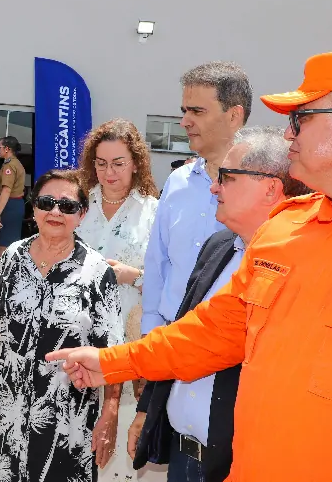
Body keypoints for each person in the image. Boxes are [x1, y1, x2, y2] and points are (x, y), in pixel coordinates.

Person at [48, 51, 332, 482]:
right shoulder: (286, 228)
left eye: (301, 119)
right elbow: (212, 332)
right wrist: (114, 361)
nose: (287, 135)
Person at [132, 127, 311, 482]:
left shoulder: (302, 265)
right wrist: (146, 409)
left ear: (270, 187)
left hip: (237, 465)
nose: (214, 188)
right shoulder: (218, 246)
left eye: (226, 178)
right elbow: (183, 334)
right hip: (183, 457)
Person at [0, 169, 123, 482]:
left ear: (81, 215)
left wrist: (110, 412)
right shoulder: (12, 257)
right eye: (47, 202)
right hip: (8, 417)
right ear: (34, 207)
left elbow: (114, 355)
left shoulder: (96, 273)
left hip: (67, 426)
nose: (55, 211)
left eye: (67, 206)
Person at [74, 119, 160, 480]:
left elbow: (173, 281)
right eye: (101, 163)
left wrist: (134, 276)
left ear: (136, 163)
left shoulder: (155, 212)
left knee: (119, 454)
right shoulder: (76, 206)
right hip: (73, 344)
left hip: (129, 349)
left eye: (118, 163)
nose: (109, 172)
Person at [141, 62, 251, 335]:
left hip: (229, 349)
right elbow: (157, 263)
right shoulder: (178, 182)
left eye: (197, 112)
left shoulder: (265, 188)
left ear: (234, 116)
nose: (184, 122)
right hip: (169, 336)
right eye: (185, 111)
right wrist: (149, 328)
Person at [0, 136, 26, 261]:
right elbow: (0, 190)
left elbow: (6, 191)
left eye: (0, 147)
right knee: (7, 247)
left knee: (3, 248)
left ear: (7, 149)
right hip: (13, 205)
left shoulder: (9, 166)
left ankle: (2, 279)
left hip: (9, 206)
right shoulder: (15, 163)